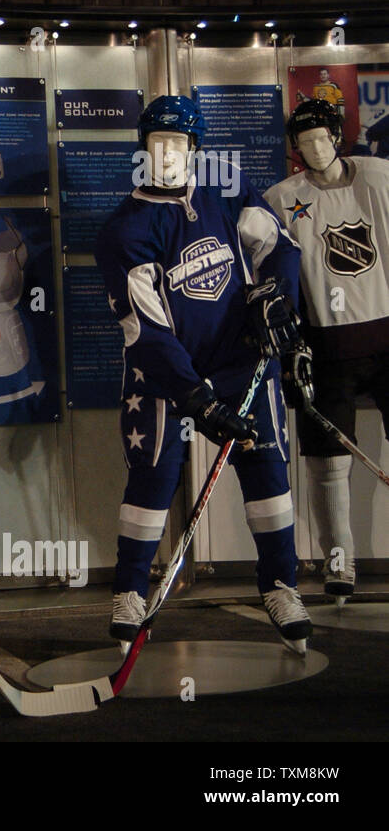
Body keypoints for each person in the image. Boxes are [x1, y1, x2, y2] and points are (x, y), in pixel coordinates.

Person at [96, 95, 313, 655]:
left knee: (267, 472)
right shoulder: (124, 229)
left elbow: (280, 249)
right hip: (166, 379)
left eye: (180, 143)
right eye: (157, 143)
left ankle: (281, 585)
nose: (168, 153)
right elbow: (144, 329)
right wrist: (194, 396)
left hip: (243, 364)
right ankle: (128, 591)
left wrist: (275, 299)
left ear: (195, 149)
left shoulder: (226, 189)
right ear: (142, 149)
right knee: (151, 480)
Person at [263, 98, 389, 604]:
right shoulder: (282, 197)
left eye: (321, 136)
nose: (314, 147)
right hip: (325, 347)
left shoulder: (380, 177)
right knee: (327, 463)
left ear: (337, 135)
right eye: (304, 139)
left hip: (386, 341)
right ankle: (339, 562)